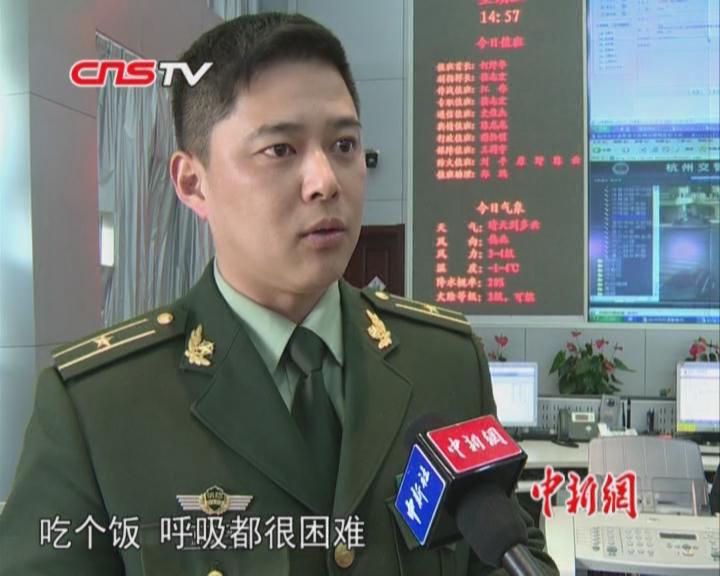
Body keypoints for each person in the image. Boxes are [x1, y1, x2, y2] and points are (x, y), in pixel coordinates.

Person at [0, 13, 558, 576]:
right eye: (281, 150)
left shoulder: (443, 361)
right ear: (193, 182)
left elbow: (507, 553)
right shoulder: (99, 406)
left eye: (344, 145)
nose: (326, 181)